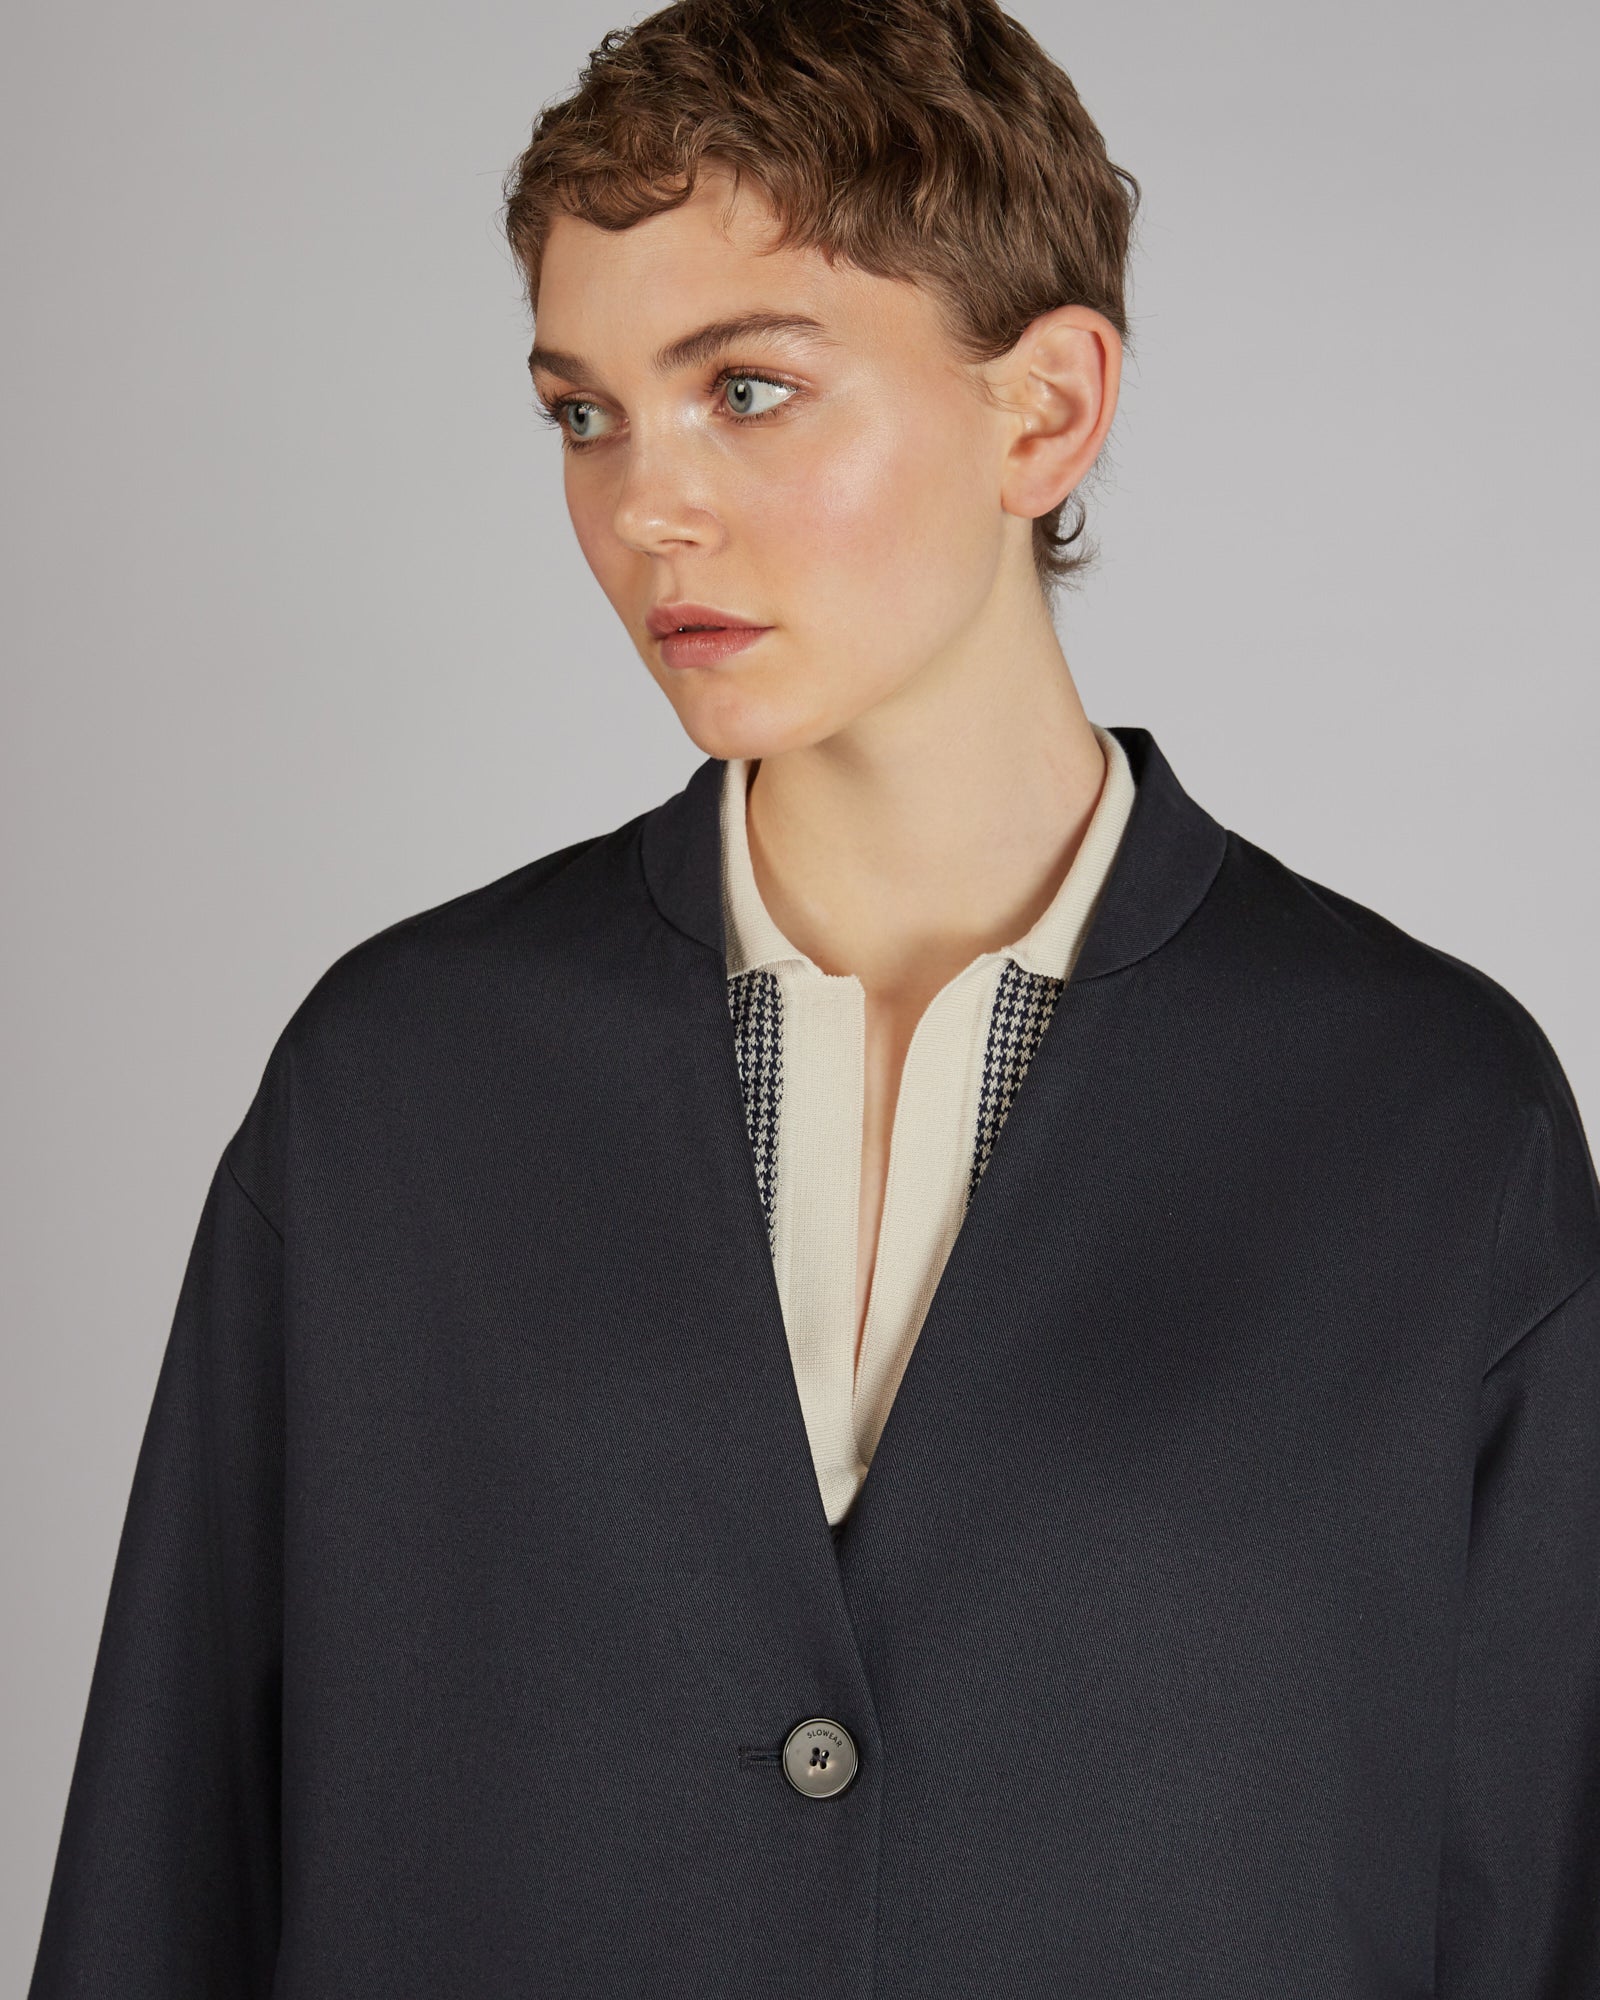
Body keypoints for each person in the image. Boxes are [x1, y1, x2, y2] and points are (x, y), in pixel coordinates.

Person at [27, 0, 1600, 1994]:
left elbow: (1538, 1904)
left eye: (747, 390)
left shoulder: (1428, 1123)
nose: (642, 507)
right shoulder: (395, 1091)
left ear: (1044, 412)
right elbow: (167, 1885)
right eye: (582, 414)